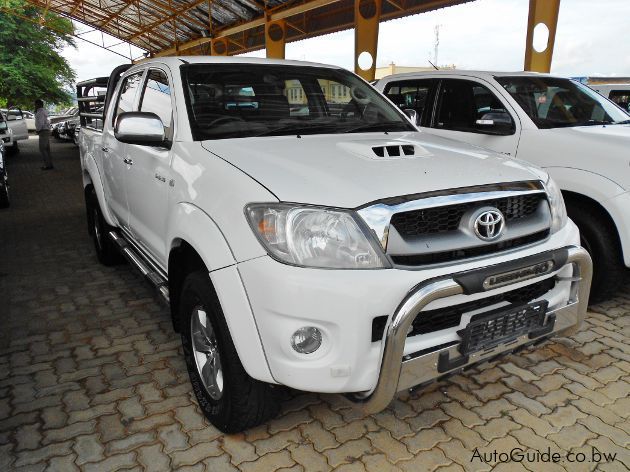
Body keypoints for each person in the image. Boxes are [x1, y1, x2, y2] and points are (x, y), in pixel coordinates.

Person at [34, 99, 53, 170]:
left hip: (43, 131)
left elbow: (40, 123)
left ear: (38, 104)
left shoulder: (40, 112)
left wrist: (38, 130)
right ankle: (50, 164)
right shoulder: (44, 111)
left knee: (42, 149)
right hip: (46, 130)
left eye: (35, 104)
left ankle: (47, 165)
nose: (34, 106)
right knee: (47, 149)